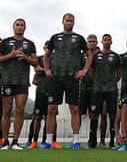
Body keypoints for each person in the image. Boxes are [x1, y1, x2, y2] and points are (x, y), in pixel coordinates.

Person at [42, 13, 91, 150]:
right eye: (67, 20)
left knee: (74, 109)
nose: (69, 22)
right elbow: (47, 55)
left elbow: (89, 55)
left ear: (74, 23)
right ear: (63, 22)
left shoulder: (79, 38)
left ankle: (76, 141)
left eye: (71, 21)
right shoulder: (55, 38)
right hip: (56, 77)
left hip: (72, 77)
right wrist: (47, 69)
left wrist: (84, 70)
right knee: (51, 108)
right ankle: (49, 141)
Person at [0, 18, 38, 150]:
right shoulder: (5, 42)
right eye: (17, 25)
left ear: (25, 28)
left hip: (22, 81)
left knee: (20, 110)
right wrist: (11, 55)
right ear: (13, 27)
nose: (19, 27)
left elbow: (36, 62)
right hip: (7, 80)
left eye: (22, 25)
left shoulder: (30, 44)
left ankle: (15, 142)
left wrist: (26, 58)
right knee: (6, 111)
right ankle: (5, 141)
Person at [89, 34, 122, 148]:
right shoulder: (96, 55)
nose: (107, 42)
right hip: (97, 89)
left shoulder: (116, 56)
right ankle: (92, 142)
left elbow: (119, 74)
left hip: (111, 90)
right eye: (105, 40)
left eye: (109, 40)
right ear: (102, 42)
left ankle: (112, 142)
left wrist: (111, 82)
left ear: (111, 41)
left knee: (112, 115)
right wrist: (98, 82)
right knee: (94, 114)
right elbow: (91, 71)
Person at [23, 41, 49, 148]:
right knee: (37, 116)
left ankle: (45, 140)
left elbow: (56, 71)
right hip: (40, 90)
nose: (48, 49)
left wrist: (44, 70)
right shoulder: (38, 59)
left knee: (50, 117)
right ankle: (32, 140)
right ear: (44, 47)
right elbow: (37, 70)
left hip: (52, 90)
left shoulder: (55, 59)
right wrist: (47, 70)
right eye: (47, 47)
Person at [79, 34, 99, 148]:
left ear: (96, 43)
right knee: (79, 113)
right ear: (87, 43)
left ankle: (92, 141)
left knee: (94, 114)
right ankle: (76, 140)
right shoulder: (83, 55)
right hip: (83, 88)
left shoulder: (101, 55)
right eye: (89, 41)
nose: (91, 43)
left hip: (96, 89)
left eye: (93, 41)